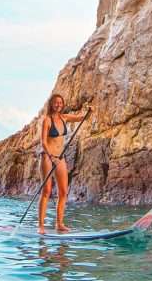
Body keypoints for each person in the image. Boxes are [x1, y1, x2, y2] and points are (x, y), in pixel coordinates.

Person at [37, 94, 92, 234]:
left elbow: (82, 118)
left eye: (60, 103)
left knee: (63, 192)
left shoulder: (64, 117)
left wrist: (89, 112)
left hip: (60, 157)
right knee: (46, 191)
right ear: (51, 104)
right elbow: (43, 142)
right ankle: (41, 226)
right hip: (47, 156)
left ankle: (59, 224)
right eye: (56, 102)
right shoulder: (47, 120)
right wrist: (51, 156)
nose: (58, 105)